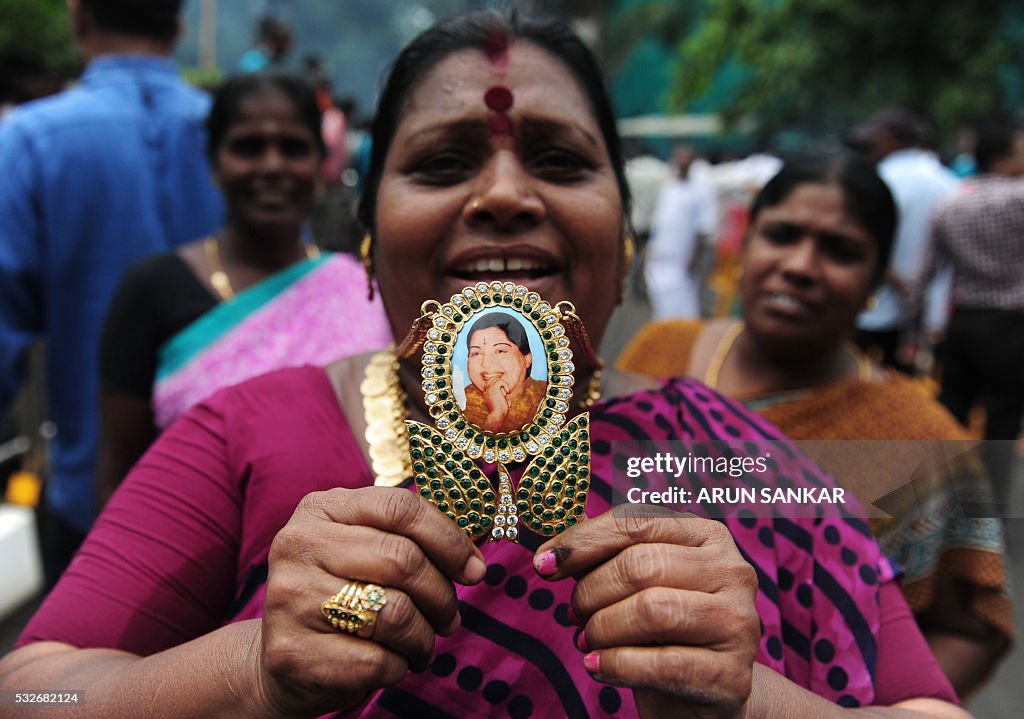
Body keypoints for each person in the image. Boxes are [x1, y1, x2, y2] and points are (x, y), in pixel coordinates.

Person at [0, 13, 969, 718]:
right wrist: (245, 668)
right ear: (372, 236)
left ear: (621, 240)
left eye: (557, 159)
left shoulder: (725, 456)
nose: (503, 192)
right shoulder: (249, 429)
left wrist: (748, 699)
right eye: (440, 162)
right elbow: (31, 688)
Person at [618, 153, 1013, 698]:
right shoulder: (657, 353)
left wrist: (853, 708)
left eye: (840, 250)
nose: (800, 265)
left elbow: (971, 627)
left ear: (877, 282)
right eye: (781, 235)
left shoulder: (921, 439)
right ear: (745, 244)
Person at [0, 0, 223, 588]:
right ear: (178, 28)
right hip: (235, 501)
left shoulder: (28, 142)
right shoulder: (249, 137)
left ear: (78, 19)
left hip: (95, 496)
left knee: (66, 680)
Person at [95, 74, 392, 508]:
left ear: (320, 164)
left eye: (293, 148)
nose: (272, 166)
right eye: (248, 147)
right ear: (215, 164)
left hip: (355, 560)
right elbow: (118, 480)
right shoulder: (152, 289)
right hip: (194, 561)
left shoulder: (359, 286)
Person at [908, 112, 1024, 507]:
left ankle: (946, 499)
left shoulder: (951, 204)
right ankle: (992, 507)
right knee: (1002, 422)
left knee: (952, 415)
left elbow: (923, 275)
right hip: (1011, 326)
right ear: (1005, 157)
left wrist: (914, 331)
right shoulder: (1019, 199)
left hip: (963, 323)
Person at [847, 108, 959, 373]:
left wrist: (892, 276)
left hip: (872, 304)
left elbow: (858, 237)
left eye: (875, 140)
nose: (870, 147)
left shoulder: (880, 178)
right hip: (926, 309)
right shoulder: (948, 182)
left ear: (893, 140)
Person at [644, 144, 717, 319]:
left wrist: (696, 256)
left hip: (683, 255)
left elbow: (703, 227)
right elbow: (660, 220)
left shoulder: (700, 191)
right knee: (659, 293)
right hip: (661, 250)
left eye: (686, 158)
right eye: (679, 158)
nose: (682, 162)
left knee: (684, 298)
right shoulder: (668, 187)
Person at [461, 312, 546, 432]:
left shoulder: (545, 395)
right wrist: (497, 414)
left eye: (500, 351)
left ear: (527, 358)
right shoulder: (461, 402)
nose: (486, 363)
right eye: (476, 353)